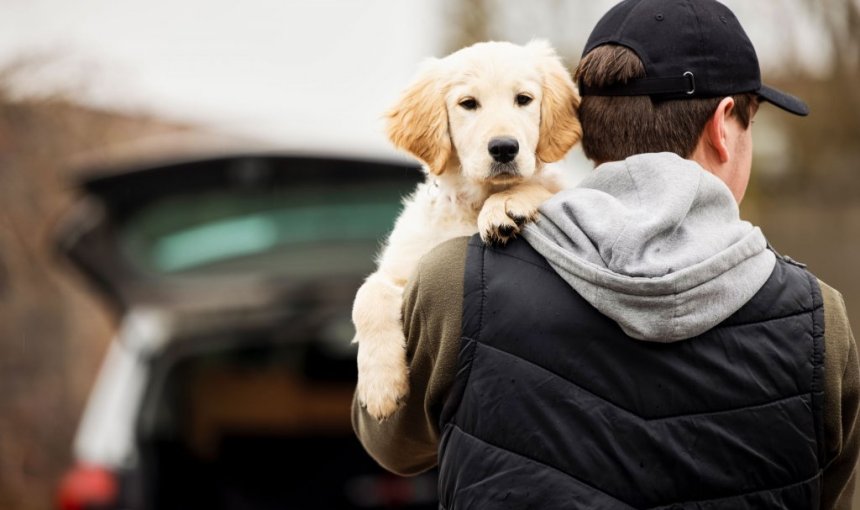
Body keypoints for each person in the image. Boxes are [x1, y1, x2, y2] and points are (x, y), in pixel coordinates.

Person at [352, 0, 859, 508]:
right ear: (725, 125)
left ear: (579, 125)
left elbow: (394, 444)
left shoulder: (454, 281)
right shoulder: (820, 319)